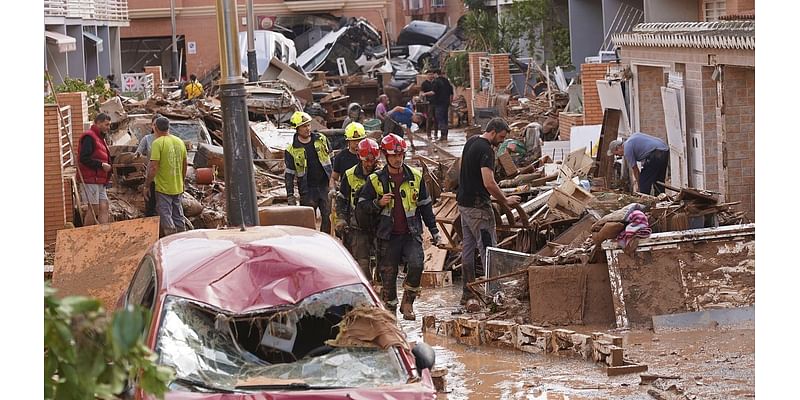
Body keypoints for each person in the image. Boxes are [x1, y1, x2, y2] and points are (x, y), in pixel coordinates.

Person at [356, 133, 441, 320]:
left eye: (401, 154)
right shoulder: (375, 180)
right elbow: (361, 207)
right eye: (394, 155)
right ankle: (392, 313)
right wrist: (378, 203)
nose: (398, 158)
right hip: (387, 236)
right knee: (388, 275)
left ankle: (408, 303)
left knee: (417, 265)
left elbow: (426, 207)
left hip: (411, 233)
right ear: (386, 156)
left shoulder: (416, 177)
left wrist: (434, 231)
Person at [456, 118, 521, 304]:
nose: (501, 141)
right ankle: (494, 295)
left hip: (464, 204)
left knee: (468, 248)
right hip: (478, 208)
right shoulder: (486, 150)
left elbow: (464, 169)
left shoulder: (471, 141)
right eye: (500, 137)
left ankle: (467, 292)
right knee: (488, 250)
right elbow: (489, 182)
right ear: (492, 131)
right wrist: (505, 200)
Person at [336, 138, 381, 281]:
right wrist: (342, 218)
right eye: (366, 161)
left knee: (383, 262)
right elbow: (342, 199)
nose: (369, 164)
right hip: (358, 226)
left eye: (371, 161)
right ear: (359, 158)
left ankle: (382, 291)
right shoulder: (350, 175)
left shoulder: (383, 175)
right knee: (362, 262)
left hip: (380, 224)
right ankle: (368, 289)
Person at [284, 111, 334, 234]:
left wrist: (335, 183)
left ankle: (325, 242)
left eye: (308, 125)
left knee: (328, 217)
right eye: (303, 126)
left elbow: (333, 160)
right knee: (307, 222)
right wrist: (290, 195)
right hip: (307, 190)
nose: (307, 128)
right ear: (297, 129)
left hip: (324, 186)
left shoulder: (321, 140)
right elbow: (289, 175)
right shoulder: (291, 150)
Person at [144, 117, 188, 236]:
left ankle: (171, 239)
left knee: (165, 215)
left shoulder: (157, 143)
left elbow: (153, 167)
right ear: (168, 127)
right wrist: (182, 181)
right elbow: (185, 165)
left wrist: (147, 185)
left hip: (163, 187)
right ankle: (182, 238)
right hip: (177, 186)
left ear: (156, 128)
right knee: (178, 214)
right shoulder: (179, 141)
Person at [78, 113, 113, 226]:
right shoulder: (89, 137)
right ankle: (87, 235)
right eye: (106, 124)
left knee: (104, 205)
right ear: (98, 123)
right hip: (91, 178)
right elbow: (83, 158)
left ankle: (102, 234)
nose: (108, 127)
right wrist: (101, 165)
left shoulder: (99, 137)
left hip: (99, 179)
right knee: (93, 208)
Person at [135, 114, 163, 217]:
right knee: (151, 204)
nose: (156, 127)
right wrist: (137, 155)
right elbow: (139, 151)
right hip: (151, 175)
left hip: (164, 176)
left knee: (164, 205)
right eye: (154, 124)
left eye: (158, 124)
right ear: (151, 125)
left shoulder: (167, 140)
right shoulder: (147, 139)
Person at [329, 122, 367, 197]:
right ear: (348, 141)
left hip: (365, 194)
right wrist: (332, 189)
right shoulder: (341, 157)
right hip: (346, 195)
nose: (357, 143)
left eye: (359, 140)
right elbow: (334, 178)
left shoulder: (368, 156)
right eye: (354, 140)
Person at [431, 69, 454, 141]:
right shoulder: (446, 81)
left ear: (436, 74)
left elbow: (433, 92)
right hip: (446, 103)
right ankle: (445, 135)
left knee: (440, 119)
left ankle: (443, 134)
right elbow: (451, 93)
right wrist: (450, 101)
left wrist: (424, 94)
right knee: (445, 118)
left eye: (433, 74)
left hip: (439, 103)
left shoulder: (436, 81)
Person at [420, 70, 437, 138]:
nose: (430, 76)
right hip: (429, 103)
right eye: (429, 74)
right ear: (427, 75)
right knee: (429, 118)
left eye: (431, 74)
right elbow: (421, 92)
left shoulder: (436, 82)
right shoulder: (424, 83)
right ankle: (428, 134)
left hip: (436, 102)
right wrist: (421, 97)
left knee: (436, 119)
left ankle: (436, 133)